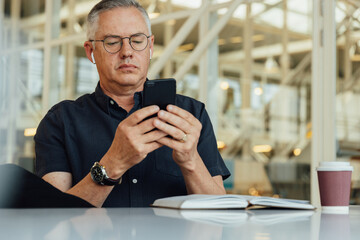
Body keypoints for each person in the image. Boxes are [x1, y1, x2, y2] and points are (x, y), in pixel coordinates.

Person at [34, 0, 230, 208]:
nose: (127, 51)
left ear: (151, 46)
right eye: (112, 42)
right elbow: (53, 217)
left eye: (137, 40)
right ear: (90, 51)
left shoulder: (191, 115)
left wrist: (191, 162)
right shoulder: (59, 122)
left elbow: (219, 212)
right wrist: (112, 164)